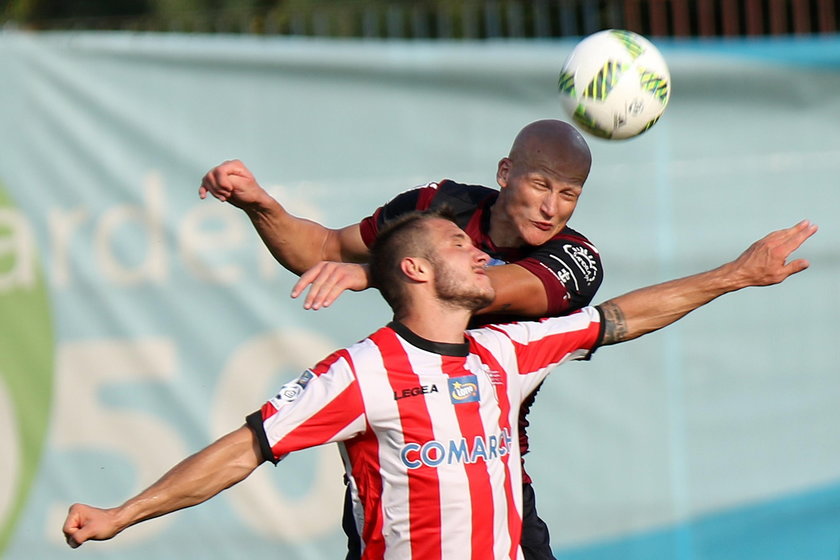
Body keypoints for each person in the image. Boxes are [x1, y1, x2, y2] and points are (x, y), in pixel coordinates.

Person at [62, 210, 817, 559]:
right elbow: (243, 450)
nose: (480, 254)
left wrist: (738, 275)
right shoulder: (361, 371)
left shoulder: (506, 353)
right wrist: (123, 513)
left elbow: (619, 317)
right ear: (416, 270)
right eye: (461, 244)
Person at [199, 119, 602, 560]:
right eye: (541, 185)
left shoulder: (575, 258)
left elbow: (485, 288)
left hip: (492, 475)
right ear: (505, 173)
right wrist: (260, 205)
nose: (551, 208)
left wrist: (379, 271)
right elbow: (325, 250)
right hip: (398, 474)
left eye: (569, 195)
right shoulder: (439, 207)